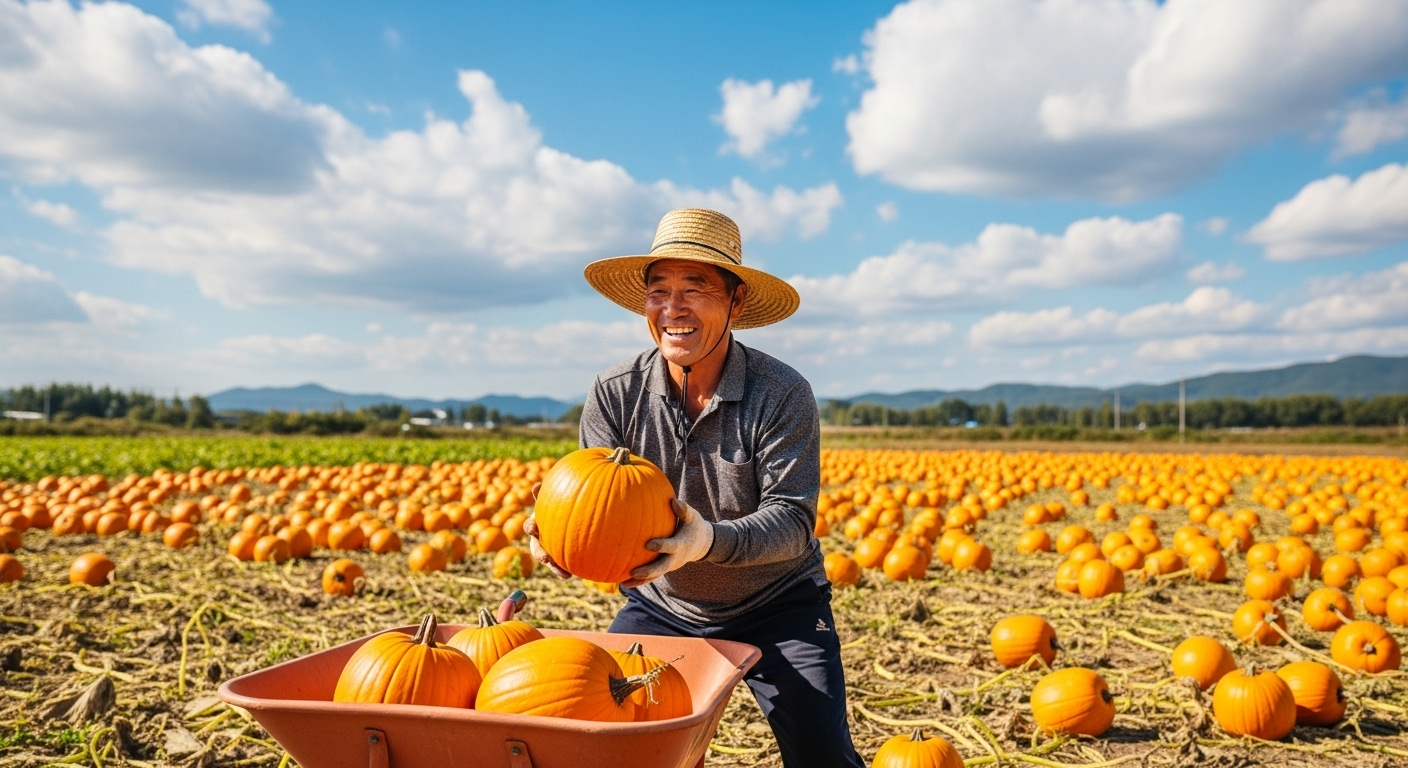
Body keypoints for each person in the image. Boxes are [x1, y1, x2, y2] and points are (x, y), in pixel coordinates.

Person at [525, 208, 865, 767]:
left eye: (695, 287)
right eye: (659, 291)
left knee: (823, 757)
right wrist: (555, 534)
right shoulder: (615, 392)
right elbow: (589, 497)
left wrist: (704, 539)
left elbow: (793, 520)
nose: (673, 308)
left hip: (779, 605)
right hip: (662, 607)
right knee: (620, 750)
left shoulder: (781, 393)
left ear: (736, 302)